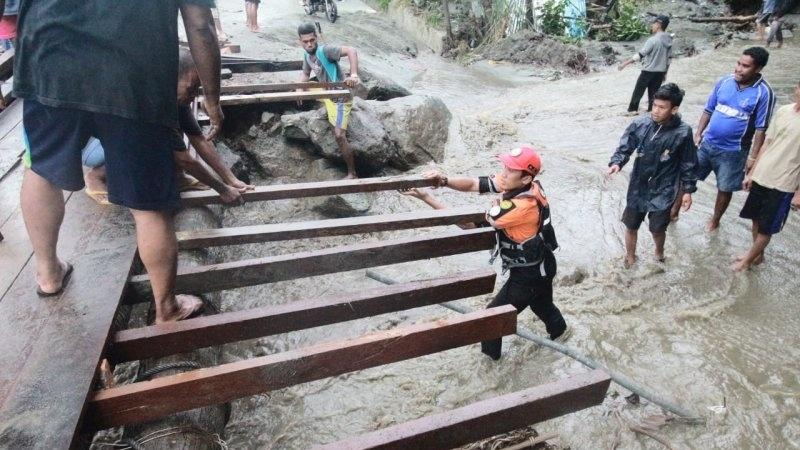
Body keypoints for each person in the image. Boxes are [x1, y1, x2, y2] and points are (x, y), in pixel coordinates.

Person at [14, 0, 224, 323]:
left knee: (41, 168)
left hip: (49, 57)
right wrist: (212, 97)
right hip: (132, 71)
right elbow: (199, 23)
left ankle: (48, 275)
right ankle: (166, 308)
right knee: (148, 202)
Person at [401, 146, 570, 360]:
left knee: (489, 321)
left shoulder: (520, 207)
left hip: (530, 276)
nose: (504, 173)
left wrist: (427, 198)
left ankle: (491, 366)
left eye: (510, 170)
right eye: (505, 167)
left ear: (526, 178)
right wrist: (443, 181)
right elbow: (474, 184)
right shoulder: (526, 184)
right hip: (543, 264)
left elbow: (468, 224)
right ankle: (562, 336)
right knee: (542, 305)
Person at [81, 48, 253, 206]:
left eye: (197, 90)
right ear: (170, 78)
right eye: (191, 89)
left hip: (119, 137)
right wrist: (222, 189)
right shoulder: (151, 103)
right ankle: (97, 176)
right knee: (155, 141)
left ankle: (176, 177)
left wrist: (231, 179)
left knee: (168, 138)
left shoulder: (175, 98)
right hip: (96, 147)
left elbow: (199, 139)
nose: (194, 96)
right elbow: (184, 159)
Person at [607, 83, 697, 267]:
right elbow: (625, 146)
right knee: (631, 225)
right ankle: (630, 256)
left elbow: (689, 162)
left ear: (674, 109)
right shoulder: (640, 124)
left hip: (665, 187)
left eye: (662, 107)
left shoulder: (683, 132)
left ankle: (659, 252)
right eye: (654, 105)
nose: (655, 111)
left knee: (657, 228)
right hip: (639, 184)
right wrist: (617, 162)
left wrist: (688, 190)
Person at [686, 47, 775, 231]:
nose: (738, 69)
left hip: (734, 151)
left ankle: (715, 220)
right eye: (738, 63)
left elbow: (761, 129)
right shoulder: (724, 81)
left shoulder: (764, 93)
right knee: (687, 176)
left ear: (757, 69)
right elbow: (708, 110)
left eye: (745, 66)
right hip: (707, 143)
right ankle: (674, 211)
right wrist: (698, 134)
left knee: (725, 188)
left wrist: (752, 158)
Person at [734, 81, 800, 272]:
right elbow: (767, 142)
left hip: (784, 182)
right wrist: (752, 173)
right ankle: (757, 255)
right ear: (796, 88)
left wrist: (798, 193)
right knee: (755, 217)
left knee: (766, 226)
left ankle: (747, 261)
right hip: (763, 174)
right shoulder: (784, 111)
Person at [297, 22, 361, 179]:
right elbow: (306, 74)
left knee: (339, 135)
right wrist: (299, 89)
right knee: (305, 86)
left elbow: (351, 50)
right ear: (300, 41)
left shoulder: (325, 51)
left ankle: (352, 173)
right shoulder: (307, 55)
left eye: (312, 40)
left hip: (340, 97)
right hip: (327, 94)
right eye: (305, 41)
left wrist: (353, 75)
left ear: (316, 37)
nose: (309, 44)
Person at [618, 15, 672, 115]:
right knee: (654, 94)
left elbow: (640, 55)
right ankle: (652, 112)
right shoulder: (669, 40)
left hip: (648, 72)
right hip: (660, 72)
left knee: (638, 92)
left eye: (654, 24)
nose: (652, 26)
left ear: (659, 25)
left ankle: (632, 110)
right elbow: (668, 60)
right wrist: (665, 73)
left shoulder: (653, 40)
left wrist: (625, 64)